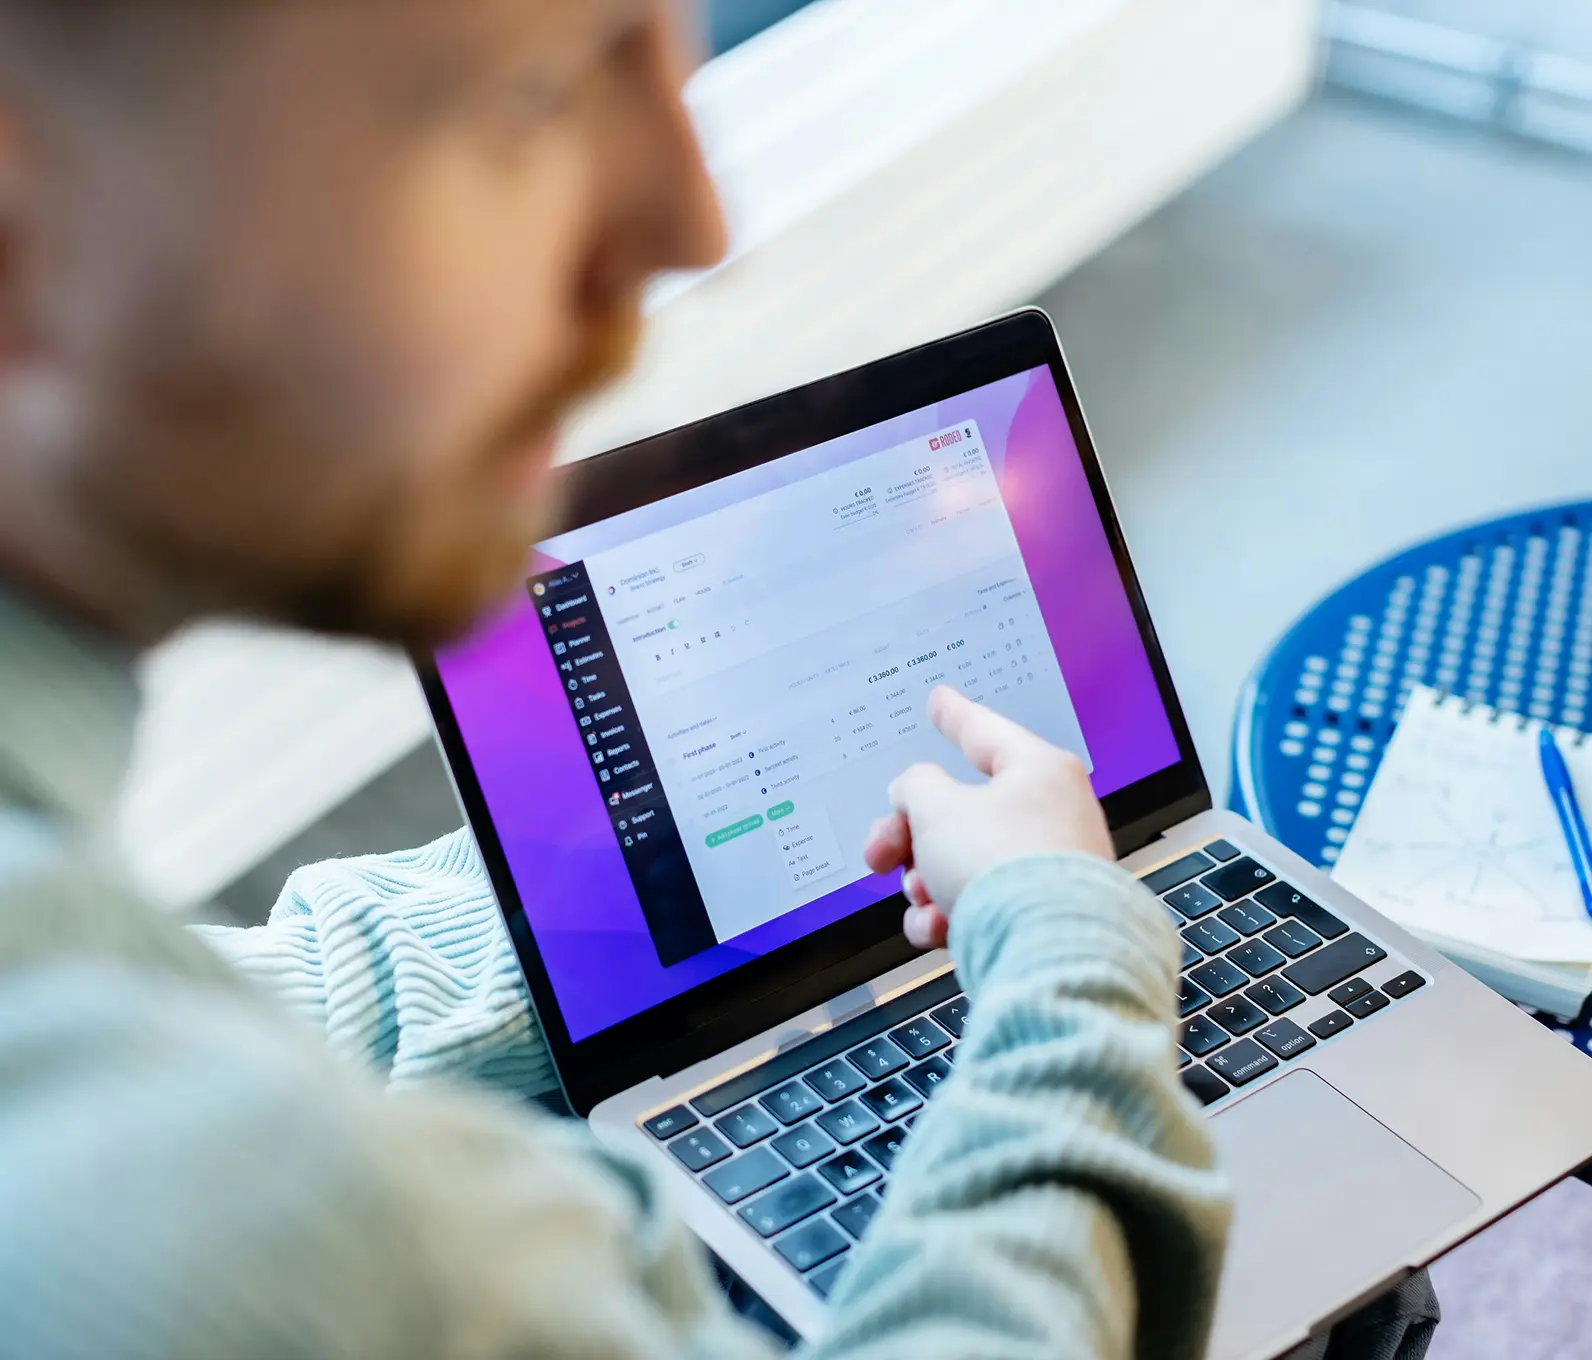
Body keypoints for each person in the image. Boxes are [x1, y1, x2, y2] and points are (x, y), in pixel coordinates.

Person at [0, 2, 1230, 1357]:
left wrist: (592, 919)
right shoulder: (281, 1247)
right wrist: (1072, 956)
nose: (694, 216)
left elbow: (177, 990)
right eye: (532, 91)